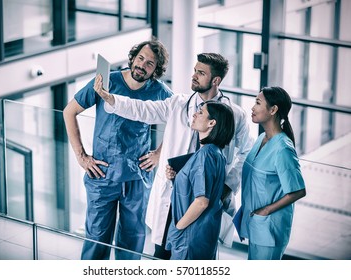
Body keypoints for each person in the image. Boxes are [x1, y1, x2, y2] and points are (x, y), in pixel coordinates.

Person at [93, 53, 254, 259]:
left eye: (201, 73)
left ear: (216, 80)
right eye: (195, 70)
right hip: (175, 194)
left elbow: (246, 152)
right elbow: (142, 109)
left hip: (204, 196)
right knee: (164, 253)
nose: (194, 75)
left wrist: (227, 185)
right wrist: (110, 98)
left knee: (198, 253)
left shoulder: (235, 115)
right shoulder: (178, 103)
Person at [63, 38, 173, 260]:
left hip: (137, 177)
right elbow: (69, 111)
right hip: (102, 174)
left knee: (132, 241)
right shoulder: (107, 81)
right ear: (133, 58)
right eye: (140, 58)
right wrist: (82, 157)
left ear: (155, 70)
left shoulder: (161, 92)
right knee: (96, 238)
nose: (142, 65)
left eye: (149, 63)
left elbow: (179, 122)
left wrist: (159, 154)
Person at [235, 86, 306, 260]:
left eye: (258, 103)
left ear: (273, 110)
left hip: (269, 227)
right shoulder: (261, 139)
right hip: (256, 222)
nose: (252, 107)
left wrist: (266, 210)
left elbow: (298, 190)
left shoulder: (282, 149)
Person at [165, 101, 235, 259]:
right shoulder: (215, 153)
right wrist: (177, 178)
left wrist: (178, 228)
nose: (195, 114)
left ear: (212, 123)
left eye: (201, 112)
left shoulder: (205, 155)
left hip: (190, 235)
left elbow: (202, 201)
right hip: (201, 234)